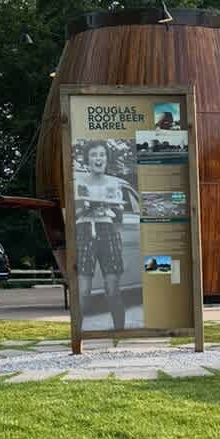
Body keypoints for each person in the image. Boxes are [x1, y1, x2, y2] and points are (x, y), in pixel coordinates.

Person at [74, 140, 136, 330]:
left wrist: (115, 210)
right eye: (93, 155)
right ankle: (79, 336)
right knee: (83, 291)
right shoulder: (78, 183)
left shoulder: (114, 183)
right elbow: (74, 213)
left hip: (108, 231)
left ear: (106, 159)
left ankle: (119, 333)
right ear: (87, 159)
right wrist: (86, 207)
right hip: (84, 231)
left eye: (101, 154)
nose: (98, 158)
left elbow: (119, 219)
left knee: (112, 289)